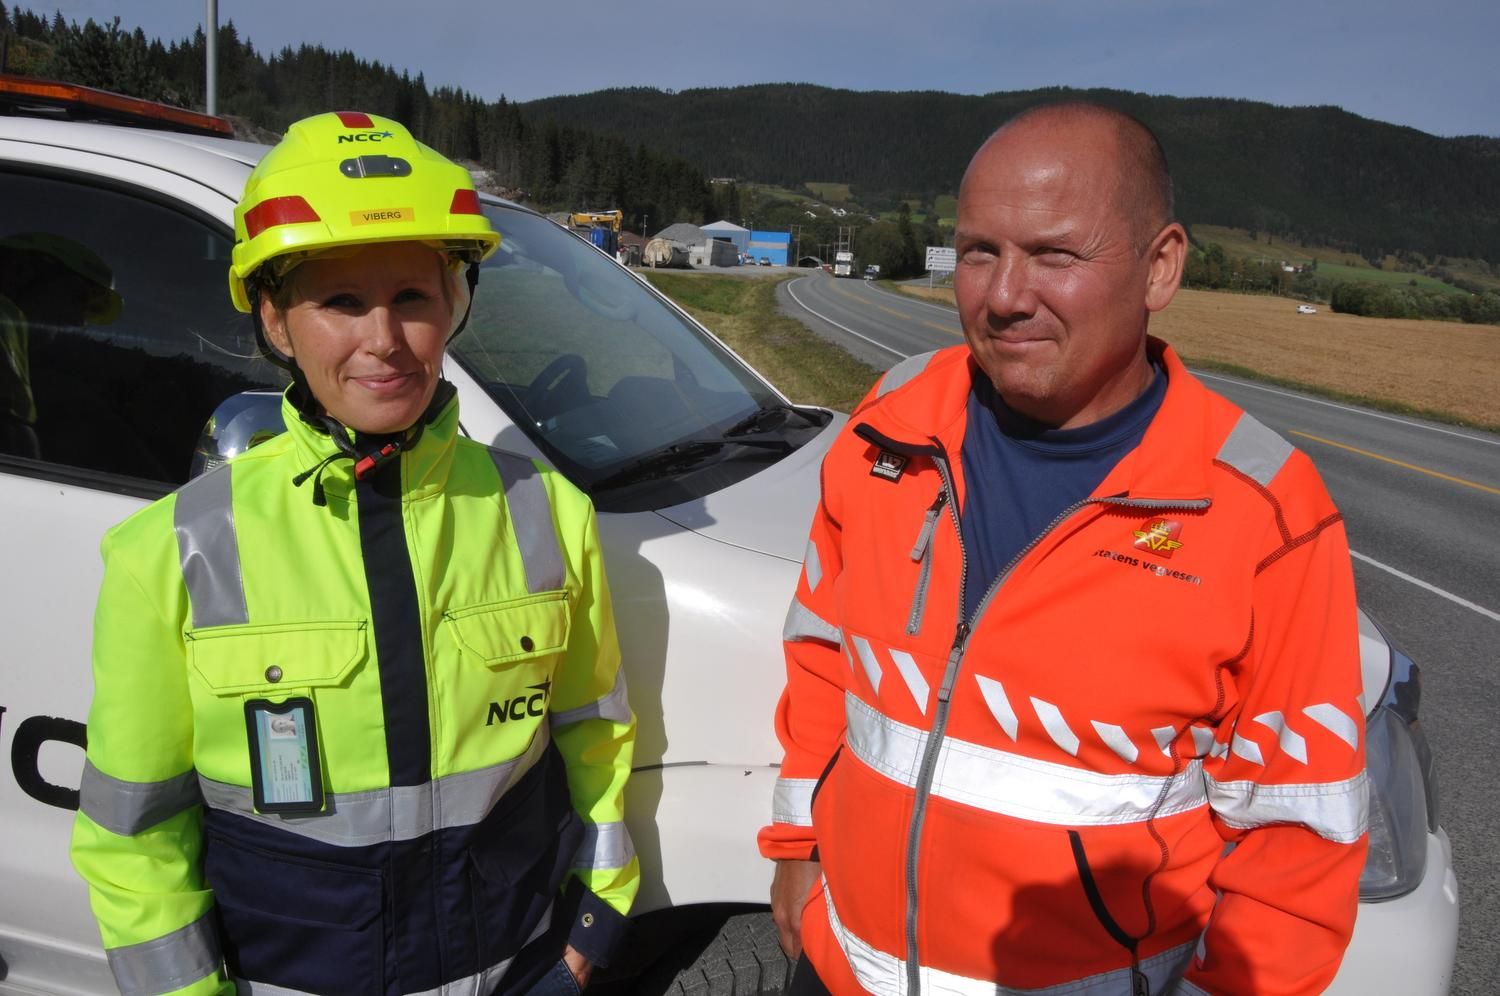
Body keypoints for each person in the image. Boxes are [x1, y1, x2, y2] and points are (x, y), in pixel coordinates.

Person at [759, 103, 1367, 995]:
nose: (1005, 295)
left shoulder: (1263, 514)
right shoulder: (890, 429)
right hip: (842, 968)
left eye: (1054, 255)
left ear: (1160, 266)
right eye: (979, 251)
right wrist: (797, 847)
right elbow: (823, 659)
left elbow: (1296, 845)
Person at [69, 112, 638, 996]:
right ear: (275, 320)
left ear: (454, 305)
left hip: (520, 973)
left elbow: (595, 740)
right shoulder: (170, 552)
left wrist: (591, 928)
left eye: (413, 296)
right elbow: (135, 833)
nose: (384, 338)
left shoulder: (547, 514)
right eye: (340, 302)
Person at [0, 232, 123, 459]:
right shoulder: (4, 319)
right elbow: (15, 444)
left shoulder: (44, 370)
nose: (77, 321)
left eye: (88, 311)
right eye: (76, 298)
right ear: (22, 272)